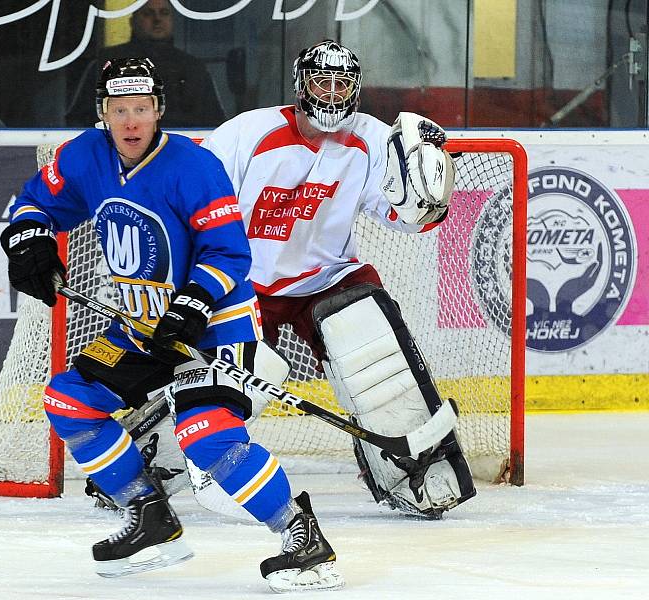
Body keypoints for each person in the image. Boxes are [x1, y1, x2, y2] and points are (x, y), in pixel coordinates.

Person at [0, 57, 344, 592]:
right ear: (103, 114)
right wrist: (29, 241)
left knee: (204, 435)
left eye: (141, 109)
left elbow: (229, 255)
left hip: (215, 323)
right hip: (138, 327)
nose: (131, 121)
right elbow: (35, 202)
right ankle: (149, 516)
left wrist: (191, 307)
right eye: (120, 110)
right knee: (70, 400)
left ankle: (299, 535)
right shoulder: (84, 156)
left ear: (158, 110)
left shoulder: (193, 165)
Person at [201, 40, 477, 519]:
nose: (331, 93)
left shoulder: (372, 138)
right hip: (246, 282)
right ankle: (150, 464)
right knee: (220, 386)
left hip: (328, 277)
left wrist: (425, 207)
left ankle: (419, 472)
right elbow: (200, 199)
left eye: (341, 83)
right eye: (320, 82)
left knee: (373, 344)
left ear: (355, 88)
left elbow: (395, 214)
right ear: (300, 85)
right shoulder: (248, 132)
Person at [67, 0, 225, 128]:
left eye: (164, 13)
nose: (157, 19)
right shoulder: (108, 63)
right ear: (132, 22)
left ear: (173, 20)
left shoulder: (193, 67)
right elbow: (78, 120)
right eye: (148, 13)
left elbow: (215, 123)